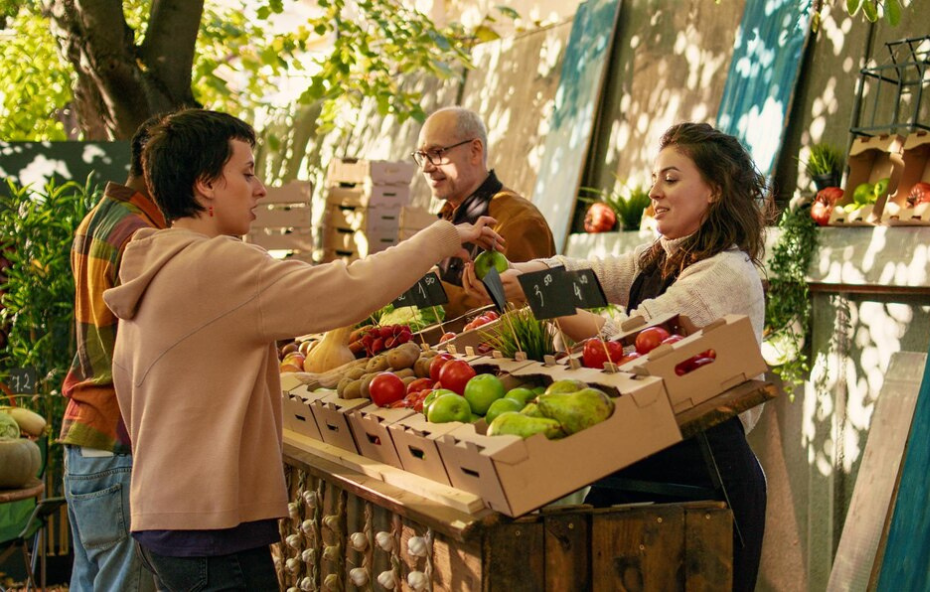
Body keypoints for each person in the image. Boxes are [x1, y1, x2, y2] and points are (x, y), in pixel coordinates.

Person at [101, 109, 502, 591]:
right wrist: (440, 237)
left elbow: (128, 387)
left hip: (168, 517)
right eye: (246, 172)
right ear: (206, 185)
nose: (260, 188)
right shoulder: (219, 265)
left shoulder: (155, 264)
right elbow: (346, 291)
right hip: (210, 528)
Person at [463, 122, 769, 592]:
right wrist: (523, 276)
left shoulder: (725, 274)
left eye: (671, 178)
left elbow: (627, 337)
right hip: (647, 456)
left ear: (713, 190)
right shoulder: (660, 257)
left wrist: (541, 296)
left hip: (708, 480)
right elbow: (591, 274)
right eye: (654, 179)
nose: (654, 192)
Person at [59, 116, 166, 592]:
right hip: (119, 443)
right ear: (154, 166)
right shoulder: (138, 234)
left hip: (86, 439)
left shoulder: (99, 216)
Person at [414, 106, 556, 318]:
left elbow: (518, 314)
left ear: (475, 151)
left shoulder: (519, 220)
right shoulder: (451, 213)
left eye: (437, 153)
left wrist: (428, 289)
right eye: (422, 155)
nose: (425, 167)